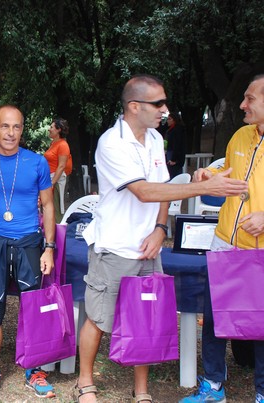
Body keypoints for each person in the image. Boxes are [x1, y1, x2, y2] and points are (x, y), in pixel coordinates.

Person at [74, 74, 247, 403]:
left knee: (145, 317)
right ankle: (85, 383)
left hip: (148, 246)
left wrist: (160, 229)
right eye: (158, 103)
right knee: (98, 317)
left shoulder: (154, 138)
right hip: (114, 246)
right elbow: (144, 191)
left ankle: (141, 390)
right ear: (134, 106)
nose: (165, 109)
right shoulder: (111, 143)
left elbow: (163, 187)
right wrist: (204, 188)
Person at [179, 74, 264, 403]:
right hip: (226, 244)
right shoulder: (240, 136)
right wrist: (206, 175)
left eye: (249, 98)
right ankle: (213, 385)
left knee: (261, 323)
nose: (242, 105)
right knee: (214, 317)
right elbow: (227, 171)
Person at [0, 105, 57, 400]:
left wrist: (48, 247)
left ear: (23, 129)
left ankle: (33, 369)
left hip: (29, 243)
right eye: (5, 127)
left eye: (17, 127)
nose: (11, 133)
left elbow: (48, 206)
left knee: (31, 307)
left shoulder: (36, 163)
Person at [43, 117, 73, 222]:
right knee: (49, 208)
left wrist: (52, 183)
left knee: (56, 209)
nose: (49, 129)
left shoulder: (63, 145)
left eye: (51, 127)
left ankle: (59, 234)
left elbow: (61, 166)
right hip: (50, 179)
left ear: (58, 130)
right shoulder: (53, 144)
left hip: (56, 181)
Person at [165, 111, 186, 178]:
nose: (167, 121)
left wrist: (174, 159)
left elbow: (177, 145)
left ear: (174, 120)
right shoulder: (171, 129)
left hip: (174, 155)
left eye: (169, 119)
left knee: (174, 174)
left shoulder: (177, 130)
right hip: (171, 153)